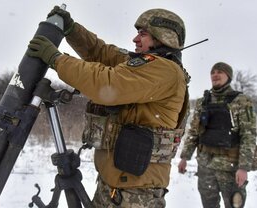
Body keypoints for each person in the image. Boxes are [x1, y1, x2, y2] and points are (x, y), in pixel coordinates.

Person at [27, 6, 190, 207]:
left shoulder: (165, 70)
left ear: (163, 37)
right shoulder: (145, 65)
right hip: (115, 185)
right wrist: (72, 30)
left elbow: (106, 85)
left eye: (143, 34)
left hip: (135, 195)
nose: (135, 39)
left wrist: (56, 59)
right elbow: (101, 52)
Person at [178, 62, 257, 208]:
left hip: (230, 168)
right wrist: (184, 157)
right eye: (212, 72)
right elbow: (194, 132)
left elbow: (249, 135)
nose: (215, 75)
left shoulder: (241, 101)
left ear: (228, 76)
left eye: (219, 72)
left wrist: (243, 167)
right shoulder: (203, 102)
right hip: (205, 167)